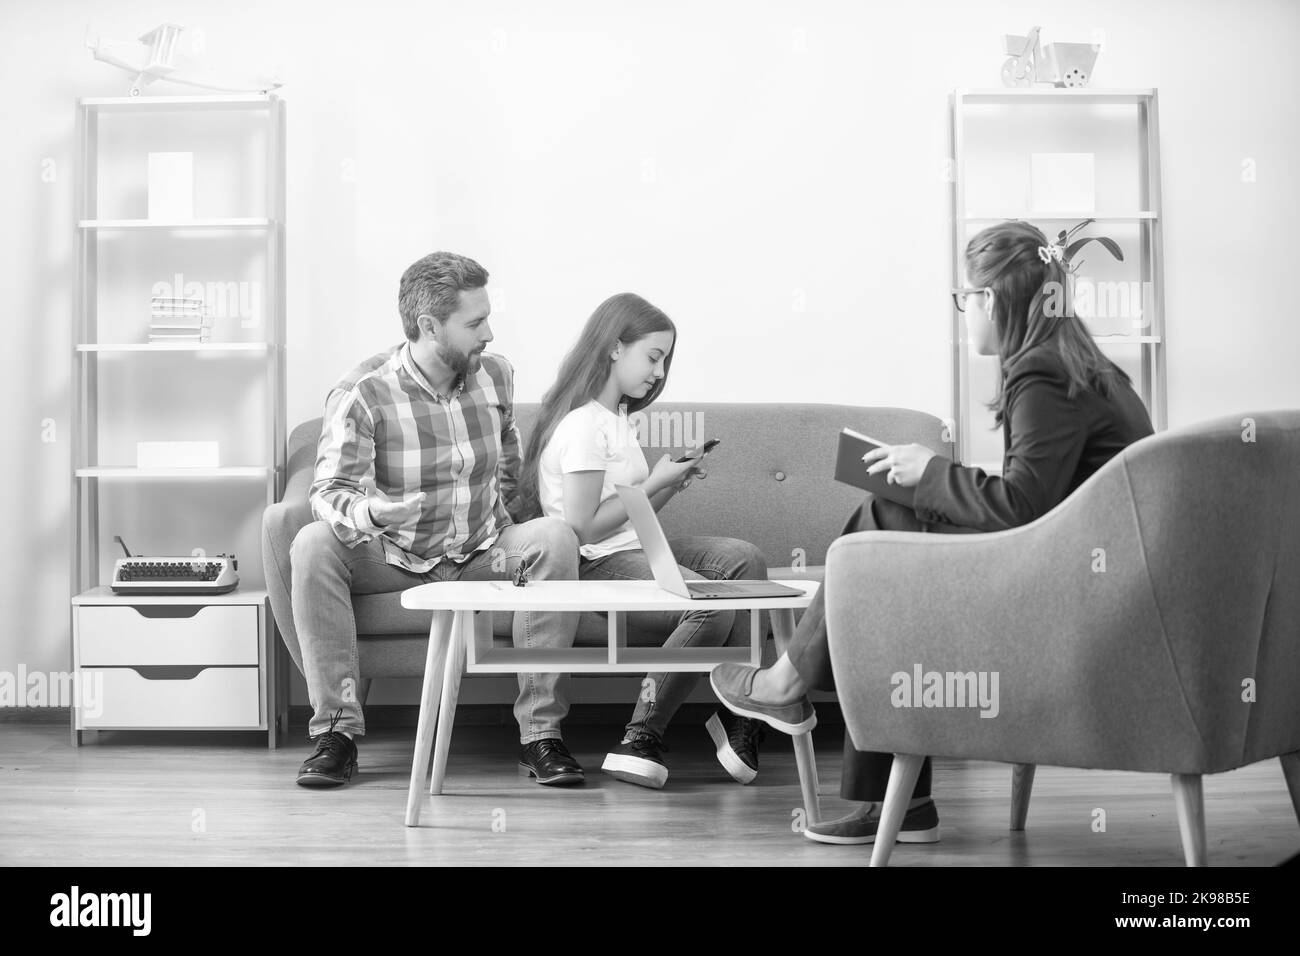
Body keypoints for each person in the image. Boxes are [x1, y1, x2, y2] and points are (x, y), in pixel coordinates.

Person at [710, 220, 1155, 843]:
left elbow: (1024, 506)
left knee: (878, 541)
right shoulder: (1072, 365)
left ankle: (789, 685)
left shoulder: (1042, 374)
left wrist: (932, 474)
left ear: (991, 300)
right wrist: (926, 479)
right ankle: (893, 794)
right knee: (886, 527)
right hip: (1089, 577)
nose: (963, 312)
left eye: (964, 298)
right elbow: (1036, 500)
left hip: (1074, 599)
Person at [284, 251, 589, 789]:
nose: (489, 333)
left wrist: (522, 521)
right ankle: (335, 733)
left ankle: (540, 735)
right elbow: (328, 491)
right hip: (396, 556)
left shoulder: (496, 375)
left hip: (481, 552)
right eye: (475, 323)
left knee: (555, 537)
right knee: (312, 544)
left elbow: (510, 468)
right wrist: (370, 511)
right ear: (428, 326)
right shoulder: (365, 391)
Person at [518, 292, 771, 789]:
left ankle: (742, 709)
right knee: (712, 608)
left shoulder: (617, 420)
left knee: (745, 560)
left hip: (629, 547)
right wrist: (654, 482)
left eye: (665, 361)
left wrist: (669, 484)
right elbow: (583, 528)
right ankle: (641, 734)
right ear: (615, 348)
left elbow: (632, 515)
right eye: (653, 356)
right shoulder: (584, 425)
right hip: (594, 562)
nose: (659, 372)